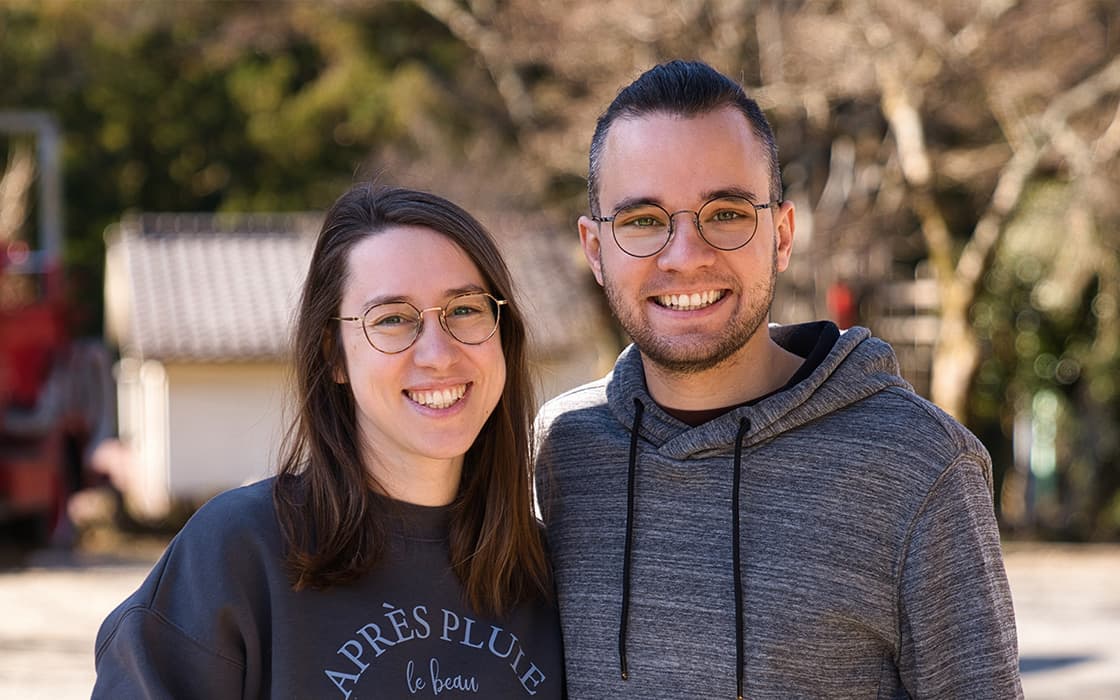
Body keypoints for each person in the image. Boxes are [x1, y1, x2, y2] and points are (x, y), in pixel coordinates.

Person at [534, 60, 1022, 698]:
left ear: (782, 235)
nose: (686, 256)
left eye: (727, 213)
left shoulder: (919, 467)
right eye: (644, 221)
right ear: (595, 250)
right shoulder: (558, 449)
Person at [94, 185, 564, 698]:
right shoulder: (238, 552)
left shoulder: (551, 575)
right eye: (392, 319)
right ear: (334, 355)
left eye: (466, 310)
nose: (438, 353)